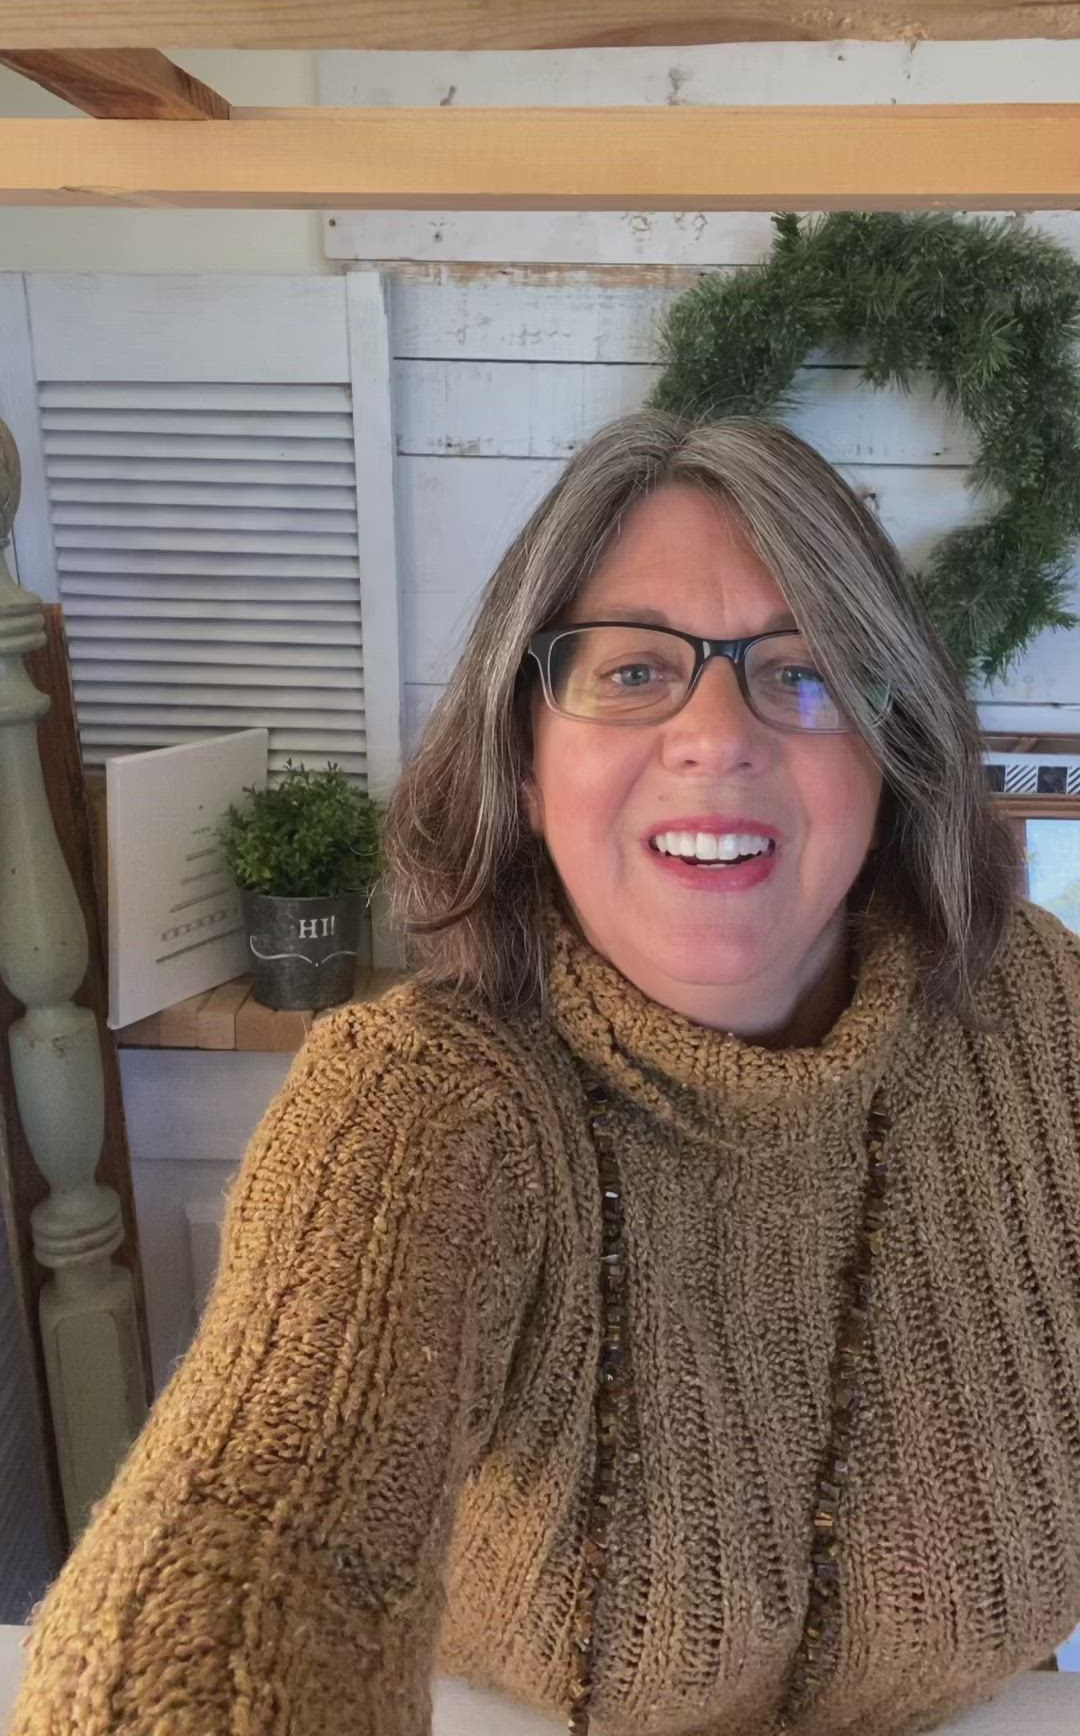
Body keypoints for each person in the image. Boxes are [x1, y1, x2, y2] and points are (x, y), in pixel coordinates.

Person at [10, 408, 1080, 1736]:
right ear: (521, 755)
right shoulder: (423, 1107)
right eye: (633, 672)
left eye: (803, 669)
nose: (715, 734)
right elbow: (255, 1528)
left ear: (894, 745)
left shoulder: (1039, 1017)